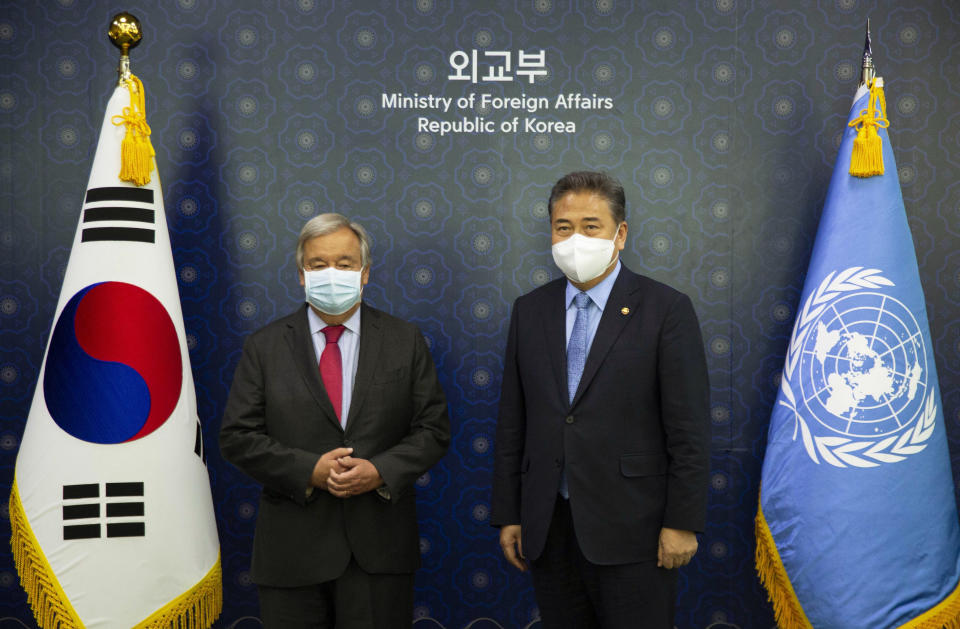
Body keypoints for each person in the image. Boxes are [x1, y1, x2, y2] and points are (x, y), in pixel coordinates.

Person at [491, 171, 710, 628]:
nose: (576, 238)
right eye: (563, 227)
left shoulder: (665, 309)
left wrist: (683, 522)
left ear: (620, 234)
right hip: (550, 527)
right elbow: (514, 421)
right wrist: (509, 513)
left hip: (638, 531)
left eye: (591, 226)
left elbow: (689, 429)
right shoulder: (529, 310)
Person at [220, 213, 450, 628]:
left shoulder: (404, 340)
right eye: (318, 264)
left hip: (379, 552)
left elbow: (433, 430)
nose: (332, 274)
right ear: (301, 274)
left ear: (364, 274)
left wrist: (380, 470)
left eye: (344, 264)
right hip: (291, 554)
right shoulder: (265, 347)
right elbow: (238, 437)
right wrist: (311, 470)